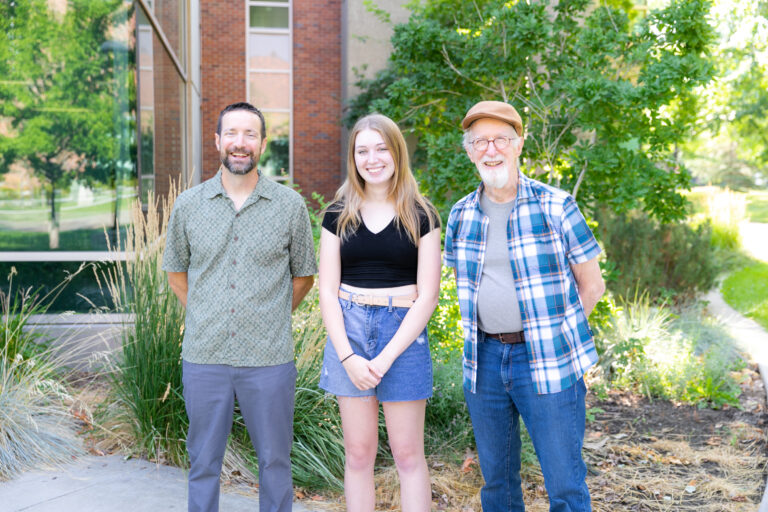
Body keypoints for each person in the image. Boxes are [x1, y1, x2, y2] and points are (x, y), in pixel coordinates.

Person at [443, 101, 606, 512]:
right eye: (480, 141)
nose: (490, 149)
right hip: (484, 359)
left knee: (565, 482)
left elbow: (592, 285)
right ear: (468, 151)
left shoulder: (557, 205)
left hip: (547, 360)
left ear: (518, 145)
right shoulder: (460, 215)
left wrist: (553, 337)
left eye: (500, 139)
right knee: (497, 484)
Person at [162, 102, 317, 512]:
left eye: (250, 134)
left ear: (263, 144)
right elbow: (176, 271)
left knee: (275, 461)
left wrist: (269, 314)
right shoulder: (189, 205)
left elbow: (304, 275)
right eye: (232, 133)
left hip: (269, 358)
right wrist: (205, 311)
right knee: (203, 462)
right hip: (205, 355)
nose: (240, 143)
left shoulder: (289, 206)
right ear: (217, 141)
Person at [317, 113, 441, 512]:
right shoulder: (337, 214)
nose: (372, 158)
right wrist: (348, 356)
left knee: (407, 455)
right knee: (358, 455)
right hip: (348, 331)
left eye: (381, 148)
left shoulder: (422, 214)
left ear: (397, 153)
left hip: (402, 335)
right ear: (353, 158)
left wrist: (386, 357)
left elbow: (428, 296)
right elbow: (327, 290)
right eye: (362, 150)